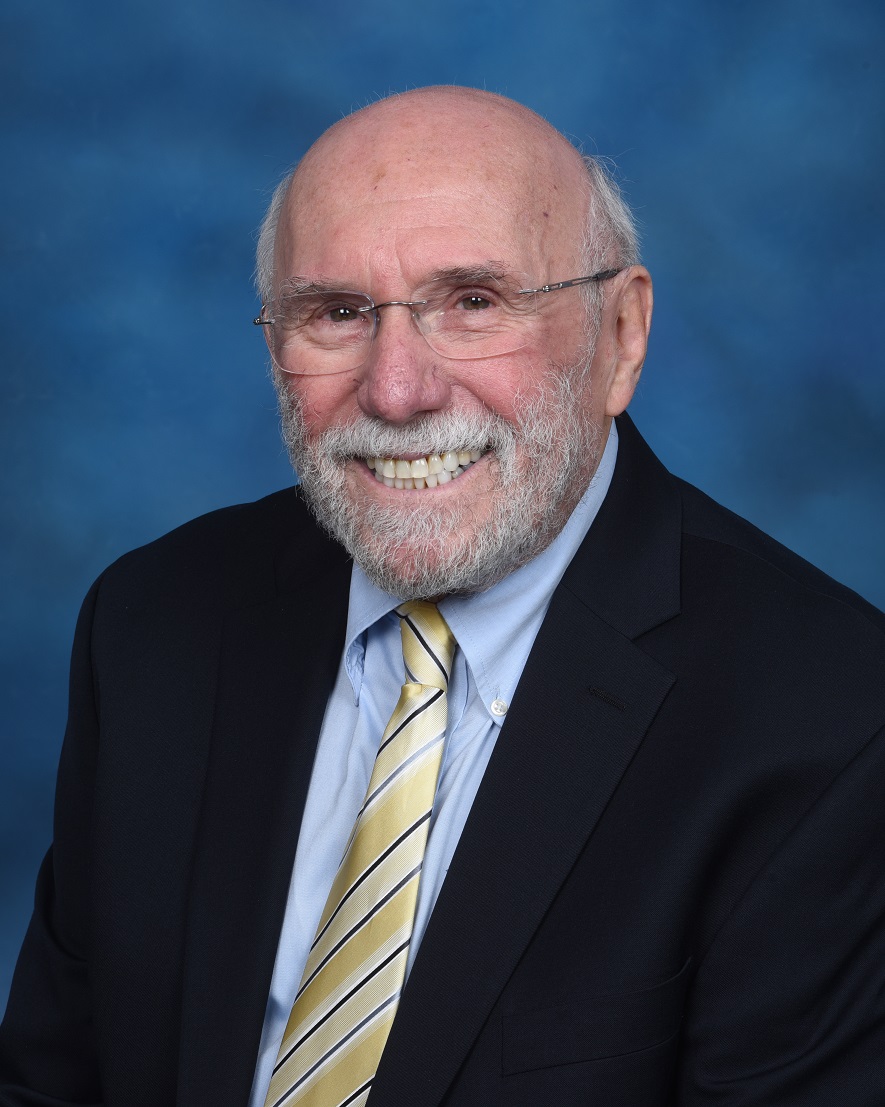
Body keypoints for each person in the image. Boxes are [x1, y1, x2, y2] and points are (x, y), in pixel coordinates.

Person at [1, 85, 884, 1107]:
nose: (398, 390)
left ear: (623, 335)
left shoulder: (833, 724)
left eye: (474, 302)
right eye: (336, 313)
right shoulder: (155, 623)